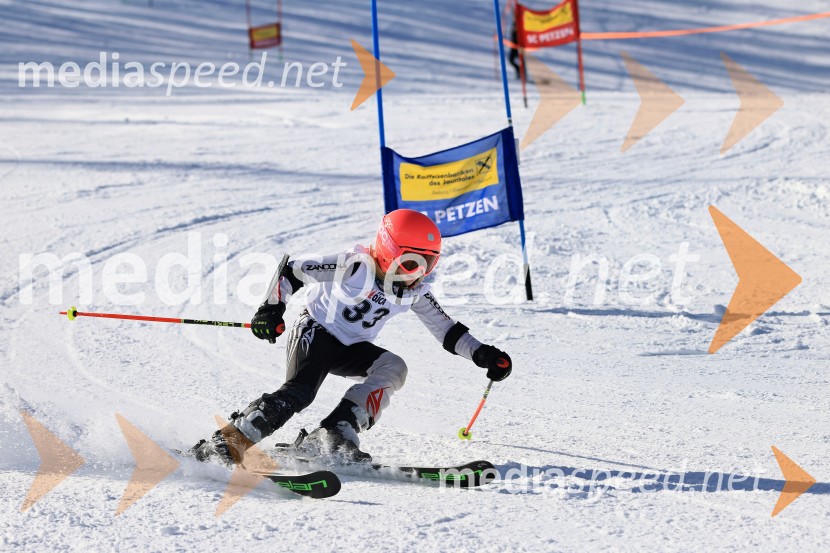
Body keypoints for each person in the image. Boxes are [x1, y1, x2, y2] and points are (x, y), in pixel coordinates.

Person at [188, 209, 512, 466]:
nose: (418, 273)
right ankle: (228, 443)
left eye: (427, 264)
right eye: (411, 262)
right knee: (300, 392)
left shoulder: (414, 291)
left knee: (394, 367)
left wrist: (483, 354)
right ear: (388, 251)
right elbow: (293, 270)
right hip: (315, 332)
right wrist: (271, 310)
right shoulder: (354, 265)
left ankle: (334, 433)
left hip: (351, 348)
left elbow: (447, 330)